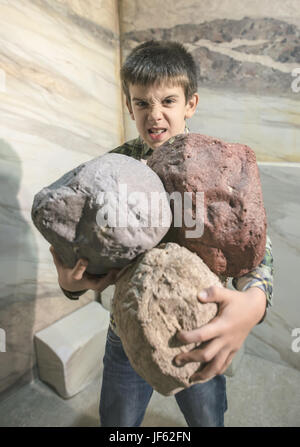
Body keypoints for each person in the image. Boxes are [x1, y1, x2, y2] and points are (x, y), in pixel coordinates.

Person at [50, 40, 274, 427]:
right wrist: (71, 282)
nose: (155, 115)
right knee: (118, 421)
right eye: (142, 102)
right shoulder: (114, 167)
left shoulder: (218, 164)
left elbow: (253, 244)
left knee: (208, 418)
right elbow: (89, 251)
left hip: (198, 324)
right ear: (128, 104)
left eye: (168, 101)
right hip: (127, 329)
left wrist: (253, 303)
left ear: (191, 103)